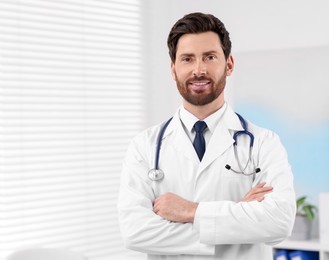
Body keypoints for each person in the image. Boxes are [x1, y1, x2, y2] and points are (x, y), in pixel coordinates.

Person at [118, 12, 296, 260]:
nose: (198, 70)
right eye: (187, 59)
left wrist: (191, 211)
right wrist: (236, 219)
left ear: (229, 64)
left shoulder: (265, 143)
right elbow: (135, 232)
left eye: (210, 57)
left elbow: (279, 221)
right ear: (173, 69)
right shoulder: (144, 147)